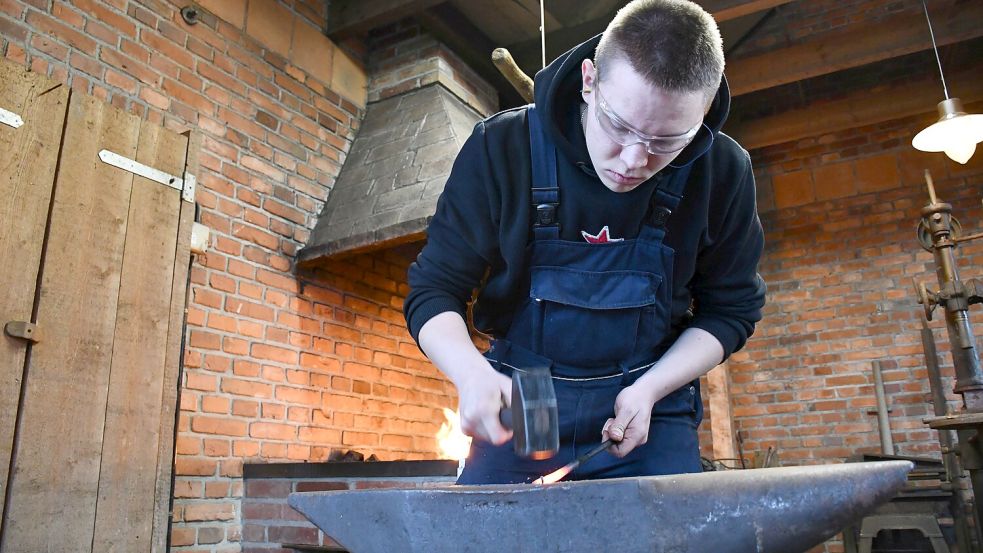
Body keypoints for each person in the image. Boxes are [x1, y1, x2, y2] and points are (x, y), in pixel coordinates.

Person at [403, 0, 766, 485]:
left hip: (645, 398)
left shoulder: (722, 169)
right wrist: (470, 373)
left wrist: (651, 388)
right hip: (528, 399)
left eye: (666, 143)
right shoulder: (503, 147)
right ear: (589, 80)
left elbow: (731, 310)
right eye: (619, 126)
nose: (635, 160)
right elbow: (433, 291)